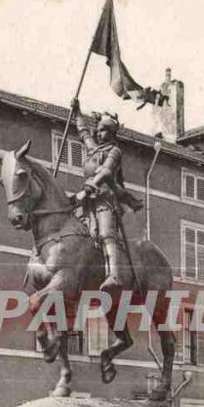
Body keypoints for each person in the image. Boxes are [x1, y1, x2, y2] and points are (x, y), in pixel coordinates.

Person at [71, 99, 143, 290]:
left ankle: (114, 275)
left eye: (102, 130)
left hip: (105, 199)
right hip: (88, 201)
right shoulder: (94, 149)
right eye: (98, 130)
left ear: (110, 132)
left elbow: (105, 172)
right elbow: (83, 132)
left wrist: (86, 190)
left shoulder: (114, 151)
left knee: (105, 233)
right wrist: (77, 112)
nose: (97, 133)